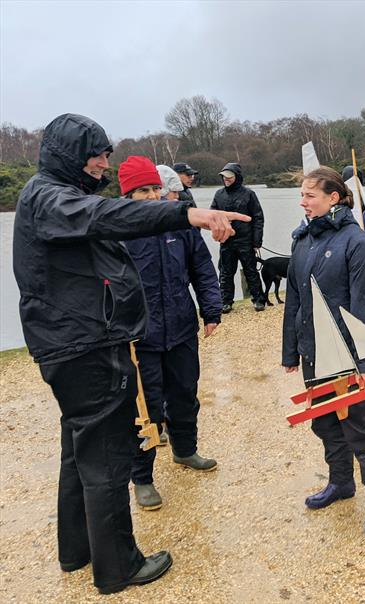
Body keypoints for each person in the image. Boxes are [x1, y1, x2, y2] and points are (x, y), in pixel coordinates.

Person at [12, 113, 248, 594]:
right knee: (105, 456)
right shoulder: (52, 198)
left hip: (72, 341)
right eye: (98, 153)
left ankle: (78, 550)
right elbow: (108, 216)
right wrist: (185, 212)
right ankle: (119, 566)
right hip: (82, 346)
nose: (105, 162)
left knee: (78, 450)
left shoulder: (53, 198)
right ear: (72, 155)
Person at [282, 167, 365, 538]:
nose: (303, 202)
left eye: (310, 195)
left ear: (333, 198)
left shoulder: (355, 242)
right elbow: (293, 301)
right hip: (314, 353)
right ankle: (341, 482)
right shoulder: (301, 241)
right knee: (326, 423)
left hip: (346, 355)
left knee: (363, 429)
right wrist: (290, 352)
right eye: (302, 195)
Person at [118, 157, 222, 512]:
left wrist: (211, 310)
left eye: (154, 189)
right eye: (141, 191)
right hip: (139, 338)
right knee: (144, 409)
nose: (150, 197)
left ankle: (185, 449)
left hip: (179, 326)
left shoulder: (180, 226)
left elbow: (202, 269)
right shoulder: (118, 232)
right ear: (127, 195)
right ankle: (142, 478)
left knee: (184, 393)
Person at [211, 162, 266, 312]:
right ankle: (226, 301)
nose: (226, 180)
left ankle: (259, 299)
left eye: (229, 177)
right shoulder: (219, 194)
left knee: (251, 271)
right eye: (224, 177)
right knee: (226, 272)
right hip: (226, 241)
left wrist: (257, 241)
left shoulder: (249, 194)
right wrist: (217, 232)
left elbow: (258, 218)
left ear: (237, 177)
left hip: (246, 241)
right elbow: (211, 215)